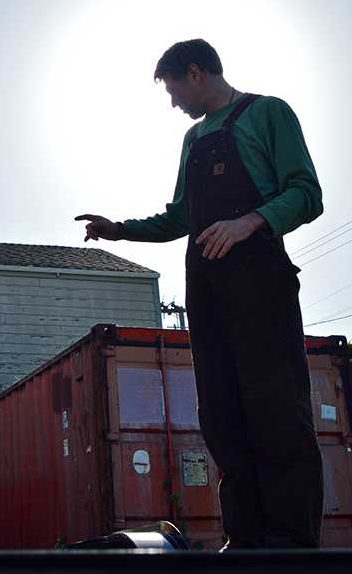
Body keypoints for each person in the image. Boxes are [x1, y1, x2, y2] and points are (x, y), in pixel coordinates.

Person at [75, 39, 324, 549]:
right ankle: (247, 538)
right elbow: (180, 217)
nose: (173, 103)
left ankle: (291, 543)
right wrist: (118, 229)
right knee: (222, 414)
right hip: (208, 290)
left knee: (275, 408)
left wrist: (250, 222)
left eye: (172, 89)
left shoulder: (267, 113)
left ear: (195, 73)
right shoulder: (193, 139)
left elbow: (306, 194)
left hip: (261, 283)